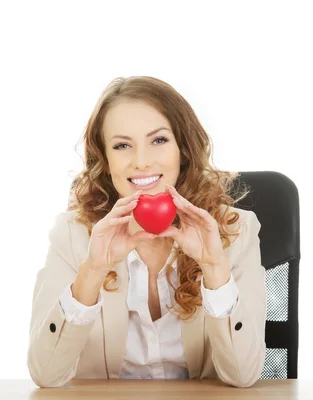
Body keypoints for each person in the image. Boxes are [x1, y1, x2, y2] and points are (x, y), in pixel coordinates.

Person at [27, 76, 266, 388]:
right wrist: (93, 270)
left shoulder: (235, 231)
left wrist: (213, 267)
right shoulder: (74, 234)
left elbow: (243, 376)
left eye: (158, 140)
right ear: (105, 159)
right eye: (122, 145)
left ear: (183, 149)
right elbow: (45, 375)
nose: (141, 162)